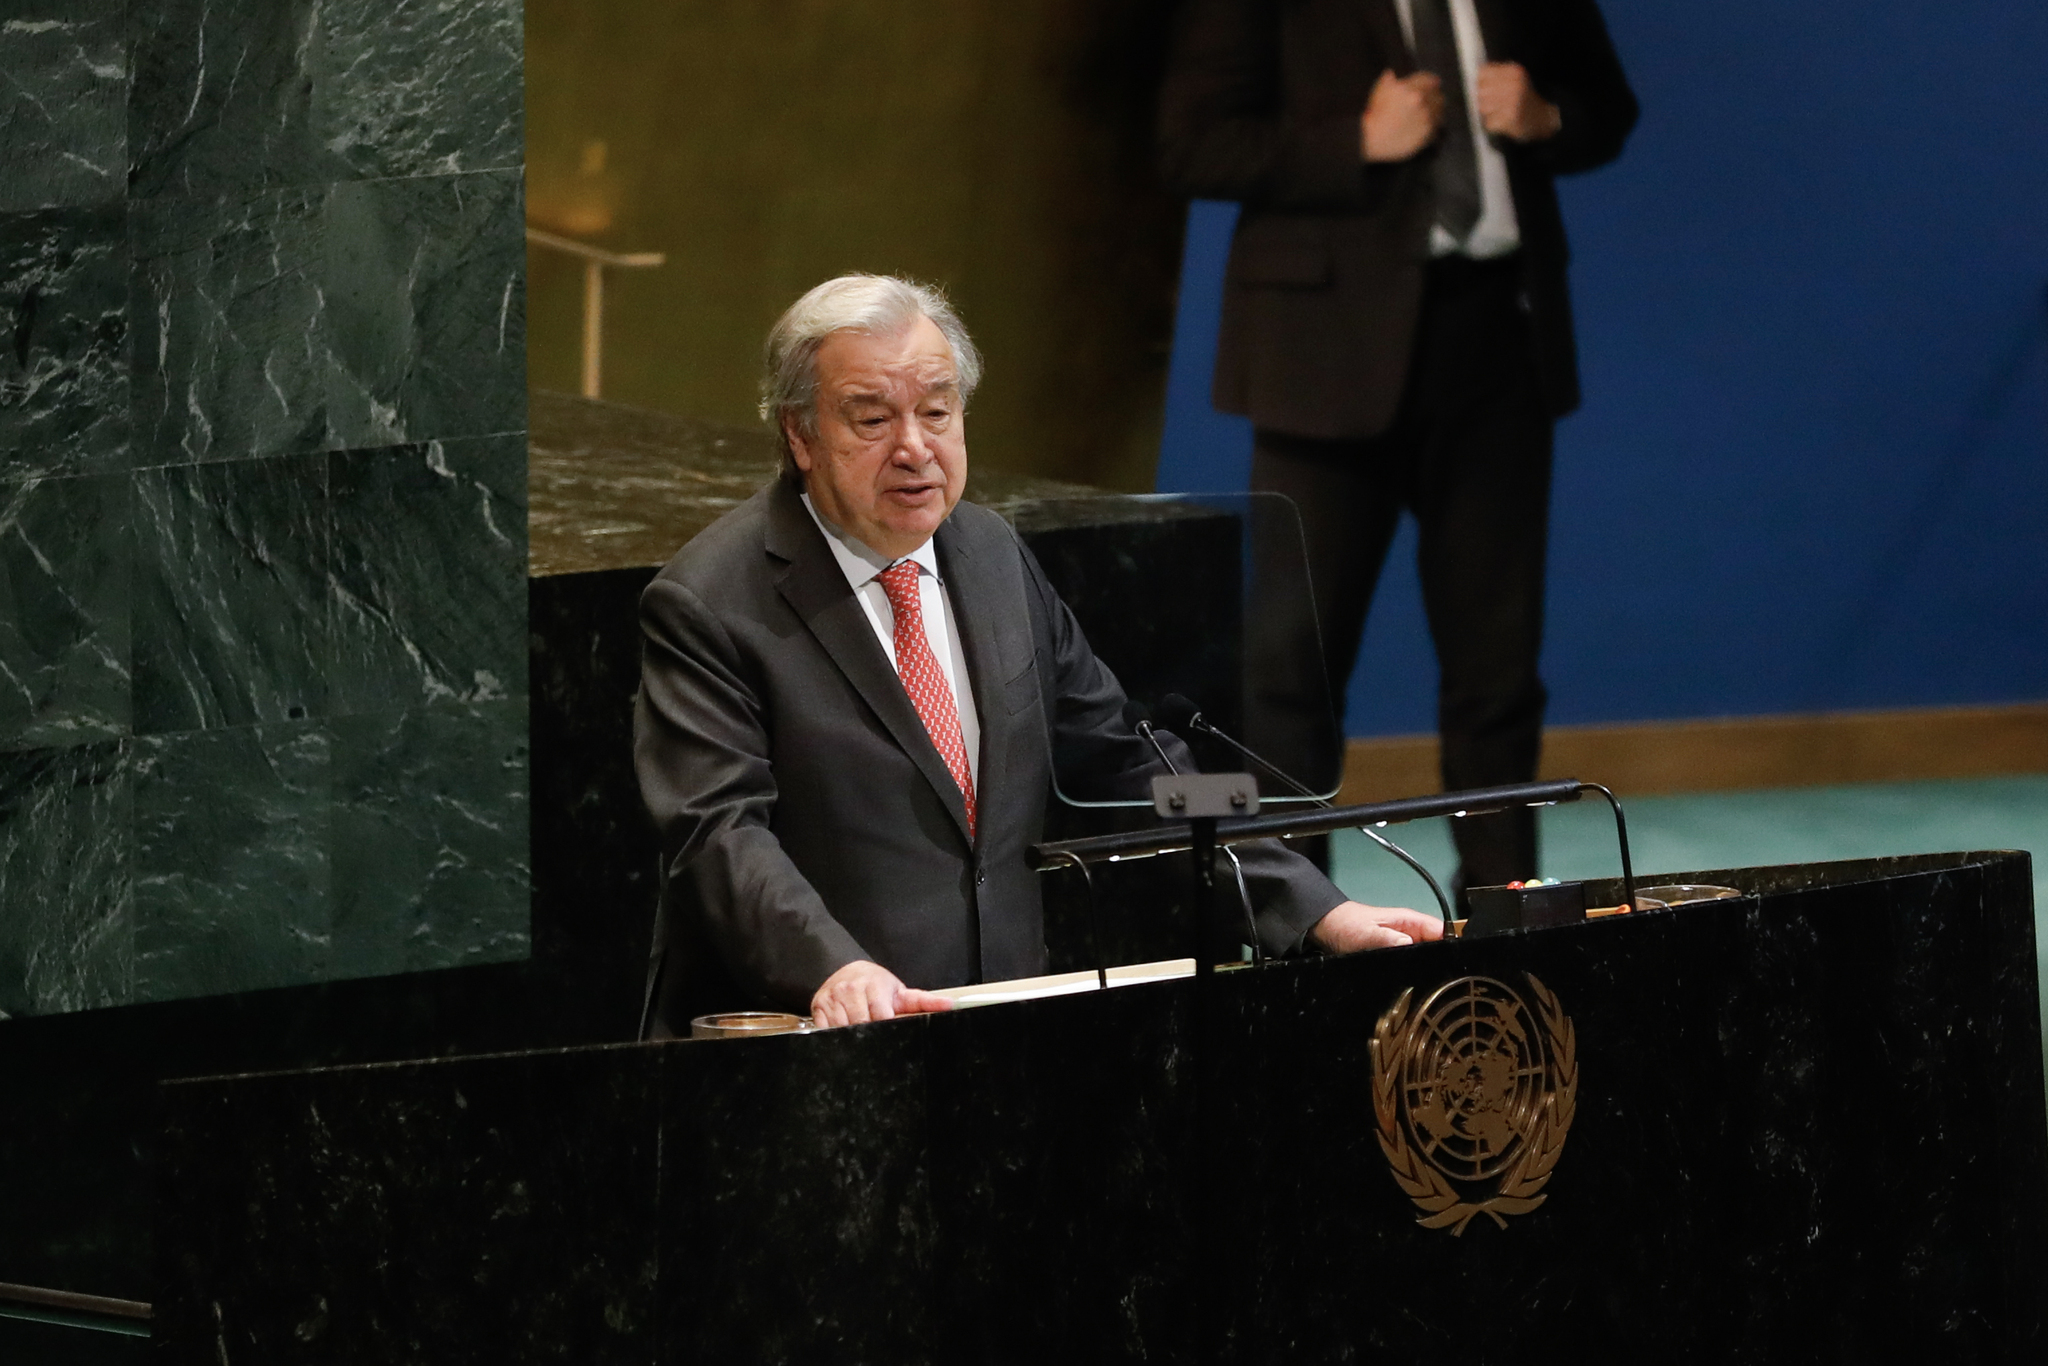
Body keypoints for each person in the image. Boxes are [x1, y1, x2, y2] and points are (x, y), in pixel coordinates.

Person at [634, 274, 1441, 1034]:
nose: (914, 448)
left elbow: (1128, 766)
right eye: (873, 419)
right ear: (800, 436)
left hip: (1006, 1027)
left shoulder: (989, 553)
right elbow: (719, 835)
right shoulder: (711, 602)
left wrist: (1319, 909)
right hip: (814, 1038)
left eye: (938, 412)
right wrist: (834, 969)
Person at [1158, 0, 1638, 899]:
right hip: (1322, 355)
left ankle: (1503, 913)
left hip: (1499, 340)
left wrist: (1550, 118)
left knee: (1497, 672)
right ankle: (1302, 923)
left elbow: (1608, 105)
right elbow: (1190, 144)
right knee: (1289, 675)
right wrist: (1356, 140)